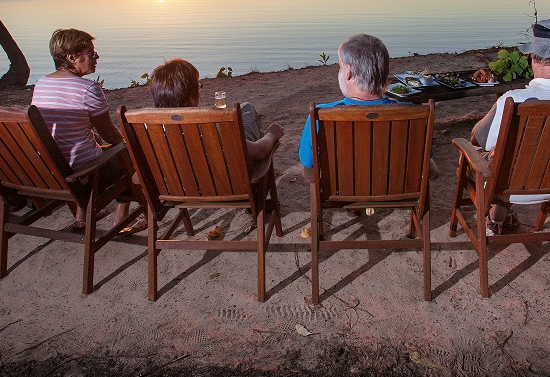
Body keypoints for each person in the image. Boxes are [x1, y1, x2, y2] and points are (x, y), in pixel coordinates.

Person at [468, 19, 550, 235]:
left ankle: (496, 216)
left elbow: (484, 141)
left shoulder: (514, 100)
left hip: (512, 188)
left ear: (534, 58)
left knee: (480, 152)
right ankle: (499, 215)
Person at [31, 29, 129, 231]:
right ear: (72, 57)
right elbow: (110, 134)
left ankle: (81, 215)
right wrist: (127, 144)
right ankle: (120, 220)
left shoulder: (41, 84)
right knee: (130, 155)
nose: (96, 57)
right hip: (84, 174)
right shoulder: (87, 89)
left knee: (92, 143)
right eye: (91, 53)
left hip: (52, 171)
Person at [148, 58, 284, 168]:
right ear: (192, 97)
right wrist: (271, 135)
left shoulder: (147, 130)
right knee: (247, 109)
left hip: (172, 194)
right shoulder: (208, 128)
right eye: (199, 86)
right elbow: (259, 151)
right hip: (222, 188)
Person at [298, 33, 396, 173]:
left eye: (340, 67)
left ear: (348, 72)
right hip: (397, 193)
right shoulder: (412, 113)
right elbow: (426, 157)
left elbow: (308, 161)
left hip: (341, 193)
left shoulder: (320, 114)